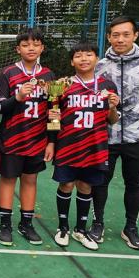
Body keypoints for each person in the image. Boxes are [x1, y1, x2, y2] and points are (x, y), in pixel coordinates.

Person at [90, 16, 139, 250]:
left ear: (135, 35)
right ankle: (97, 223)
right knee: (100, 181)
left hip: (138, 136)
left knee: (134, 183)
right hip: (104, 136)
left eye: (126, 34)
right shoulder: (99, 66)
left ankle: (130, 227)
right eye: (115, 35)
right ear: (108, 37)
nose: (120, 39)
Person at [51, 43, 119, 250]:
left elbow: (113, 120)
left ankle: (80, 230)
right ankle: (62, 228)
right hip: (68, 145)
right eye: (78, 56)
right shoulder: (61, 84)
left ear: (96, 59)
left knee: (86, 186)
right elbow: (52, 117)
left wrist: (112, 107)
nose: (83, 59)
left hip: (95, 146)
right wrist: (51, 142)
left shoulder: (108, 85)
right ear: (72, 61)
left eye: (88, 55)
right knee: (66, 185)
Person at [0, 28, 55, 246]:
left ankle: (26, 223)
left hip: (37, 139)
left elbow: (54, 109)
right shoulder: (8, 73)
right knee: (8, 179)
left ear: (42, 48)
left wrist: (51, 141)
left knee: (30, 180)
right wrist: (18, 97)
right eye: (26, 45)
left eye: (36, 44)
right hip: (11, 139)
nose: (31, 48)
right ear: (17, 49)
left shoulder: (48, 75)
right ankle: (5, 224)